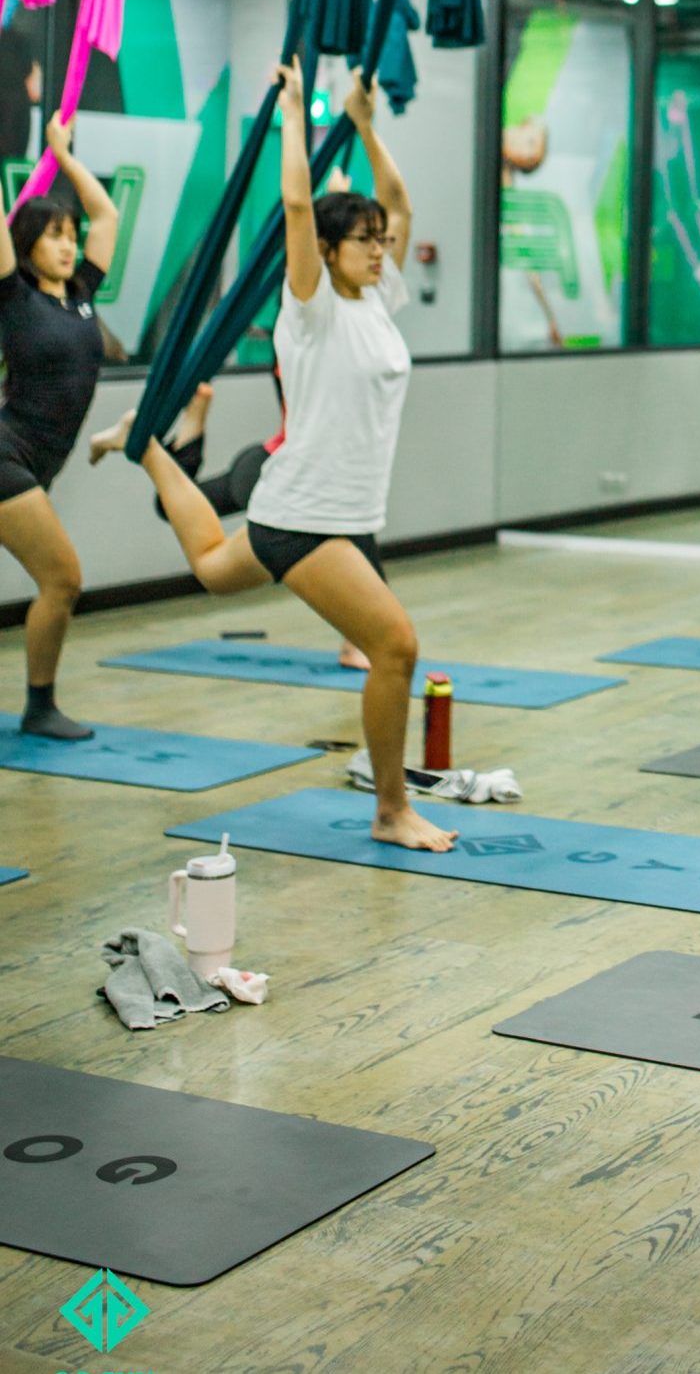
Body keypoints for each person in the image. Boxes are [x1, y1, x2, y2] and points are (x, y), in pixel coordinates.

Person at [95, 61, 453, 852]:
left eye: (379, 242)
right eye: (363, 241)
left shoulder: (377, 299)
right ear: (327, 250)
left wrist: (363, 121)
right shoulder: (312, 306)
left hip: (337, 509)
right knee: (396, 645)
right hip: (309, 513)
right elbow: (296, 201)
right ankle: (391, 808)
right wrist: (295, 110)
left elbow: (401, 202)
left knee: (215, 568)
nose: (379, 247)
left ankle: (146, 445)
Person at [0, 113, 119, 737]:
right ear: (27, 245)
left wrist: (63, 155)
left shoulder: (81, 295)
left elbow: (109, 218)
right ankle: (40, 706)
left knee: (57, 579)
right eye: (53, 236)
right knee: (63, 577)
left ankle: (39, 704)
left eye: (70, 234)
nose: (69, 243)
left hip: (36, 464)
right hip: (6, 457)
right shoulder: (12, 296)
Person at [131, 373, 374, 669]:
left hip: (265, 463)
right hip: (278, 471)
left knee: (169, 504)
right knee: (350, 522)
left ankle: (190, 431)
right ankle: (358, 642)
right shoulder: (315, 352)